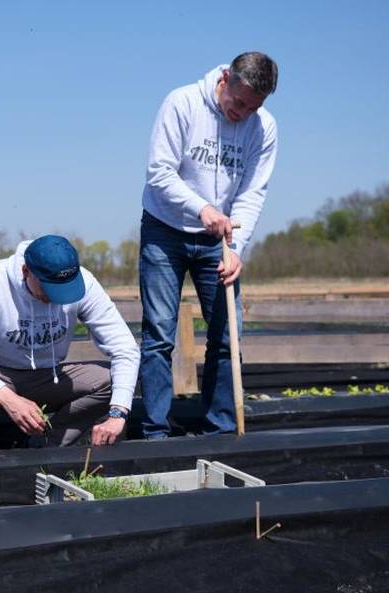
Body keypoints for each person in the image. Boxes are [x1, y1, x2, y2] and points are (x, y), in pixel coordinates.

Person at [139, 51, 278, 437]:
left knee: (225, 336)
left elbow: (252, 192)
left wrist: (237, 248)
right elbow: (159, 173)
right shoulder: (181, 103)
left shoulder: (263, 127)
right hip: (165, 231)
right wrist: (201, 208)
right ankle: (155, 432)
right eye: (239, 103)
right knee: (159, 336)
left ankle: (220, 428)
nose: (244, 113)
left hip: (220, 239)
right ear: (225, 78)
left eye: (254, 107)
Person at [0, 235, 140, 450]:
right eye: (49, 290)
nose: (56, 299)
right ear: (26, 271)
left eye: (64, 291)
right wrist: (9, 399)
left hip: (48, 377)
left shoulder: (86, 282)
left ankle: (47, 445)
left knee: (112, 381)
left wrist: (118, 413)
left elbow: (125, 349)